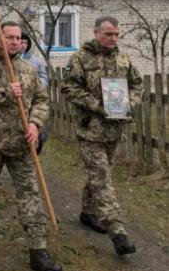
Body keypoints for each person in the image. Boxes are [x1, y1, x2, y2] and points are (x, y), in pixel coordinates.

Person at [0, 21, 62, 271]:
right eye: (10, 37)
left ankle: (38, 250)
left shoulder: (28, 69)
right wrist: (5, 91)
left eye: (18, 38)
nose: (15, 42)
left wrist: (35, 123)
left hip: (21, 144)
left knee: (30, 193)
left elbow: (41, 100)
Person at [61, 16, 143, 256]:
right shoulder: (81, 58)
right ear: (96, 33)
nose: (113, 38)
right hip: (91, 130)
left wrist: (130, 103)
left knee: (98, 175)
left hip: (114, 131)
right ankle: (118, 232)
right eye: (108, 34)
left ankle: (88, 213)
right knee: (102, 178)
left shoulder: (123, 59)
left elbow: (137, 85)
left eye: (117, 34)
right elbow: (68, 87)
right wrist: (97, 105)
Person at [19, 33, 49, 154]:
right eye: (22, 42)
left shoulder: (35, 61)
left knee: (37, 126)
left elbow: (43, 76)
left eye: (26, 43)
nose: (23, 45)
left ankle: (37, 146)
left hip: (32, 98)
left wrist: (37, 86)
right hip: (17, 97)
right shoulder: (10, 59)